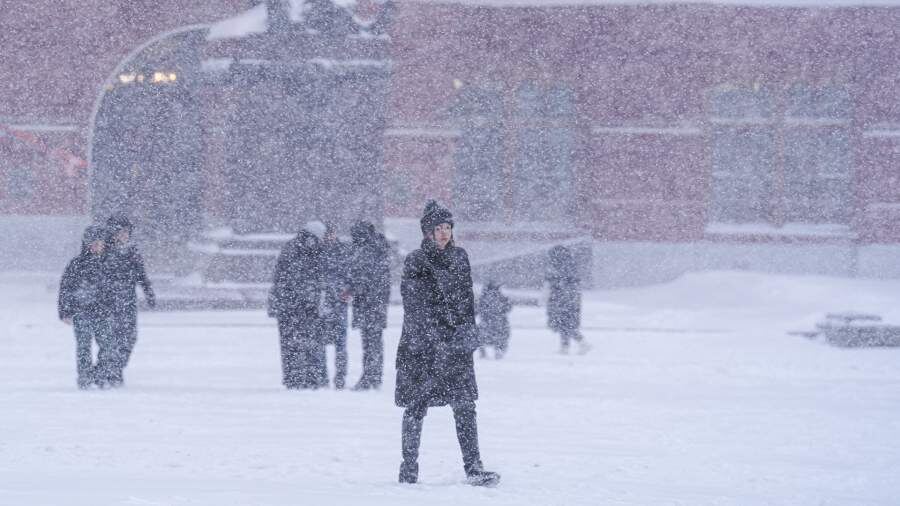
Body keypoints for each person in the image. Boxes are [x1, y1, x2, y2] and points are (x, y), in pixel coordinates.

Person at [395, 200, 500, 486]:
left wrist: (467, 335)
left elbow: (467, 302)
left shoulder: (460, 257)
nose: (443, 233)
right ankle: (408, 469)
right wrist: (432, 337)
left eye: (447, 228)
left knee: (465, 405)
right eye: (437, 228)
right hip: (422, 346)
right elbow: (414, 303)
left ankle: (474, 467)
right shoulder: (416, 259)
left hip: (456, 346)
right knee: (416, 405)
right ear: (427, 232)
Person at [269, 221, 327, 389]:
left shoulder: (296, 248)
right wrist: (311, 300)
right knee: (297, 343)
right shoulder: (300, 251)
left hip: (292, 306)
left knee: (294, 343)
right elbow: (297, 280)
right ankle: (299, 377)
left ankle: (298, 377)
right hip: (295, 307)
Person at [58, 225, 116, 389]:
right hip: (81, 313)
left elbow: (114, 289)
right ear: (87, 244)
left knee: (107, 346)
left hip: (103, 313)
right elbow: (66, 289)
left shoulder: (109, 264)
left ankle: (101, 375)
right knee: (83, 347)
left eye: (101, 243)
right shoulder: (77, 264)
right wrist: (65, 311)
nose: (98, 246)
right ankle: (84, 377)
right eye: (94, 243)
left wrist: (114, 307)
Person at [104, 213, 155, 387]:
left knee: (130, 337)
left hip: (128, 300)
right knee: (111, 337)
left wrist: (148, 292)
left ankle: (117, 367)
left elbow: (141, 273)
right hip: (108, 301)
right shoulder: (103, 251)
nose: (124, 235)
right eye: (121, 232)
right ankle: (110, 371)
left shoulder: (132, 251)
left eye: (127, 232)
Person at [348, 221, 391, 390]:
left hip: (370, 303)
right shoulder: (376, 249)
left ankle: (370, 376)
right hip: (373, 303)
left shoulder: (370, 251)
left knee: (371, 342)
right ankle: (372, 376)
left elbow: (366, 278)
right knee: (372, 342)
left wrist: (353, 289)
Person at [318, 223, 351, 389]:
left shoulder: (339, 251)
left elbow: (348, 274)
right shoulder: (335, 251)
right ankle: (324, 377)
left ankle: (339, 377)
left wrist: (345, 289)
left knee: (339, 344)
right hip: (328, 301)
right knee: (325, 343)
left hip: (337, 302)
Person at [546, 245, 591, 355]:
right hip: (568, 299)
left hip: (564, 299)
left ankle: (581, 343)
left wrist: (556, 288)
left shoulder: (562, 267)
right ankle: (566, 347)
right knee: (565, 324)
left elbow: (561, 283)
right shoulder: (568, 265)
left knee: (564, 324)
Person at [476, 281, 512, 359]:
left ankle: (483, 352)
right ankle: (498, 350)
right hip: (500, 323)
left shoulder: (483, 297)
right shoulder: (500, 297)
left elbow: (476, 310)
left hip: (486, 323)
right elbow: (508, 308)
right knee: (501, 337)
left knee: (480, 337)